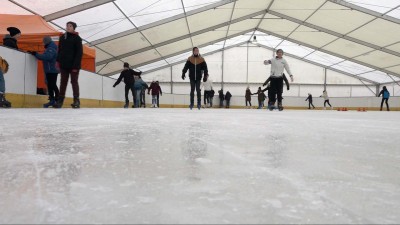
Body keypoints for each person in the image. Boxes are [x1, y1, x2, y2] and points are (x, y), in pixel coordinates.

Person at [54, 21, 83, 109]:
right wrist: (58, 61)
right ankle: (60, 101)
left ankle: (76, 100)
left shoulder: (77, 38)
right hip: (64, 64)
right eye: (67, 26)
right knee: (63, 82)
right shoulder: (62, 37)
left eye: (70, 26)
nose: (68, 27)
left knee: (74, 82)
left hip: (74, 65)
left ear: (74, 28)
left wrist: (75, 66)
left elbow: (79, 53)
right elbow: (60, 50)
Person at [29, 37, 60, 108]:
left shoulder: (51, 48)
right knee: (50, 84)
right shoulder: (50, 47)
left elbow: (47, 57)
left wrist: (36, 54)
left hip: (52, 70)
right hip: (50, 69)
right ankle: (53, 99)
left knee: (52, 84)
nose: (43, 43)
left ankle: (57, 99)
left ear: (46, 42)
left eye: (44, 42)